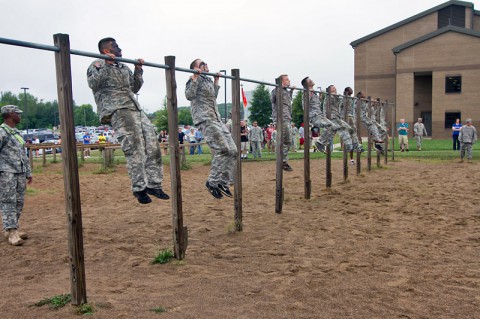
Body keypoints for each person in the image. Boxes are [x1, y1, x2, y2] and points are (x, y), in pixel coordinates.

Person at [87, 37, 169, 204]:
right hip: (117, 109)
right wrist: (107, 65)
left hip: (135, 108)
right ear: (106, 51)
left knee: (153, 144)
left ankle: (154, 184)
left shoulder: (123, 65)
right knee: (135, 147)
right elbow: (93, 84)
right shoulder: (97, 65)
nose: (119, 48)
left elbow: (135, 87)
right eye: (115, 46)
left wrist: (138, 70)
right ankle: (139, 188)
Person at [185, 58, 237, 199]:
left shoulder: (207, 80)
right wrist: (195, 77)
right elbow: (189, 96)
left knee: (233, 151)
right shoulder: (193, 79)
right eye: (202, 63)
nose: (206, 64)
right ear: (195, 68)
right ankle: (212, 182)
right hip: (205, 118)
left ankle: (223, 183)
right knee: (222, 149)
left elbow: (213, 97)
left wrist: (216, 81)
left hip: (216, 118)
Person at [0, 105, 33, 246]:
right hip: (6, 172)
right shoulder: (1, 132)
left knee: (19, 202)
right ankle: (11, 231)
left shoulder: (17, 133)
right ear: (10, 114)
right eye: (17, 114)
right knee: (8, 202)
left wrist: (28, 172)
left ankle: (13, 229)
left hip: (20, 172)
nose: (19, 116)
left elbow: (23, 154)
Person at [271, 74, 295, 171]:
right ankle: (282, 161)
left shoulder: (286, 91)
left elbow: (288, 101)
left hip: (287, 118)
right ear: (282, 82)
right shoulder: (276, 90)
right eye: (287, 80)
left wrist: (291, 91)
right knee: (285, 140)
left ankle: (283, 160)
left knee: (288, 140)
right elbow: (274, 100)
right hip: (281, 118)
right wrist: (280, 88)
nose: (289, 81)